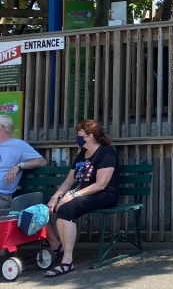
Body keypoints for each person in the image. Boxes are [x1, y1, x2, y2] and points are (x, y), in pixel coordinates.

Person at [44, 119, 119, 277]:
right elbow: (69, 181)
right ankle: (62, 250)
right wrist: (55, 197)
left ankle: (67, 261)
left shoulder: (106, 152)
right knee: (55, 208)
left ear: (89, 136)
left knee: (67, 208)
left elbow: (100, 185)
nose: (77, 138)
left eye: (80, 135)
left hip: (105, 195)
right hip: (82, 193)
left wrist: (74, 195)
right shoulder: (82, 155)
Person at [0, 114, 47, 213]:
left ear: (1, 127)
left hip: (2, 196)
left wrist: (19, 166)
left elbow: (41, 161)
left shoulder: (18, 145)